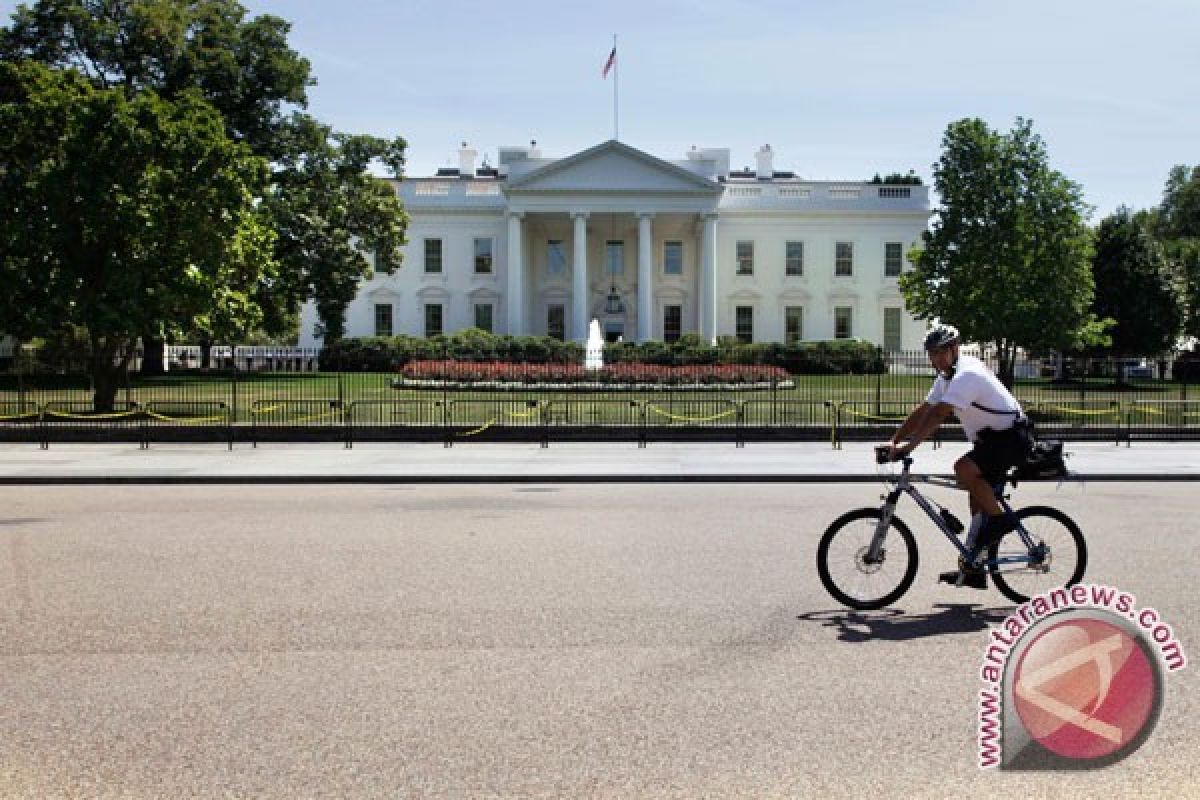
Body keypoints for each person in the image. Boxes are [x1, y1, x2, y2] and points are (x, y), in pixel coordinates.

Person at [885, 324, 1031, 589]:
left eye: (941, 352)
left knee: (963, 468)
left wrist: (908, 448)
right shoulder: (946, 377)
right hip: (992, 441)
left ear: (955, 349)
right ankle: (975, 568)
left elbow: (940, 415)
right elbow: (925, 410)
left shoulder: (967, 374)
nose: (936, 359)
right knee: (977, 501)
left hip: (1011, 439)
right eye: (932, 353)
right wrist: (893, 440)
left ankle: (1001, 522)